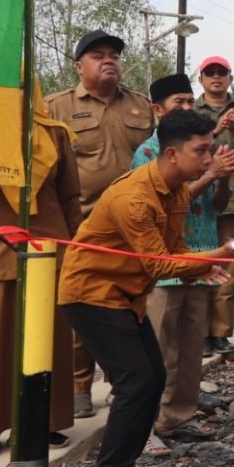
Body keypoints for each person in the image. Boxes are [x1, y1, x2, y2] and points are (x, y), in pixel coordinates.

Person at [57, 110, 234, 467]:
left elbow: (175, 250)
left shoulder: (174, 190)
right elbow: (158, 264)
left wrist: (208, 263)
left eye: (210, 149)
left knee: (152, 378)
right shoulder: (134, 197)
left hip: (126, 297)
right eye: (202, 151)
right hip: (92, 295)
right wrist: (219, 254)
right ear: (172, 154)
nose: (209, 159)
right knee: (135, 381)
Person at [0, 106, 83, 461]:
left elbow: (71, 196)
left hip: (48, 243)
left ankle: (47, 418)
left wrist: (75, 248)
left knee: (50, 335)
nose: (16, 92)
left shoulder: (55, 133)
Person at [132, 75, 234, 445]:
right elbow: (161, 204)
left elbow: (215, 206)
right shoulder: (148, 154)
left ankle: (178, 417)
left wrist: (223, 178)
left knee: (189, 349)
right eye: (177, 102)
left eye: (188, 102)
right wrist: (212, 172)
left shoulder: (202, 152)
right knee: (157, 351)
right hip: (163, 268)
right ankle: (143, 423)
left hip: (199, 260)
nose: (185, 108)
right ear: (157, 110)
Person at [47, 29, 154, 419]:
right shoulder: (56, 108)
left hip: (135, 228)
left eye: (114, 54)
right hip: (84, 226)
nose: (109, 60)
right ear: (79, 66)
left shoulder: (142, 107)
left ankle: (121, 383)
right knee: (84, 305)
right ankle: (78, 386)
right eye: (98, 56)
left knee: (128, 304)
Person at [194, 56, 234, 356]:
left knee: (229, 271)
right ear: (201, 79)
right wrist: (216, 130)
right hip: (199, 200)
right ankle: (200, 333)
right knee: (202, 264)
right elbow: (187, 144)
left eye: (222, 72)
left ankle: (220, 333)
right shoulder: (192, 109)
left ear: (230, 78)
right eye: (210, 73)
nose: (216, 77)